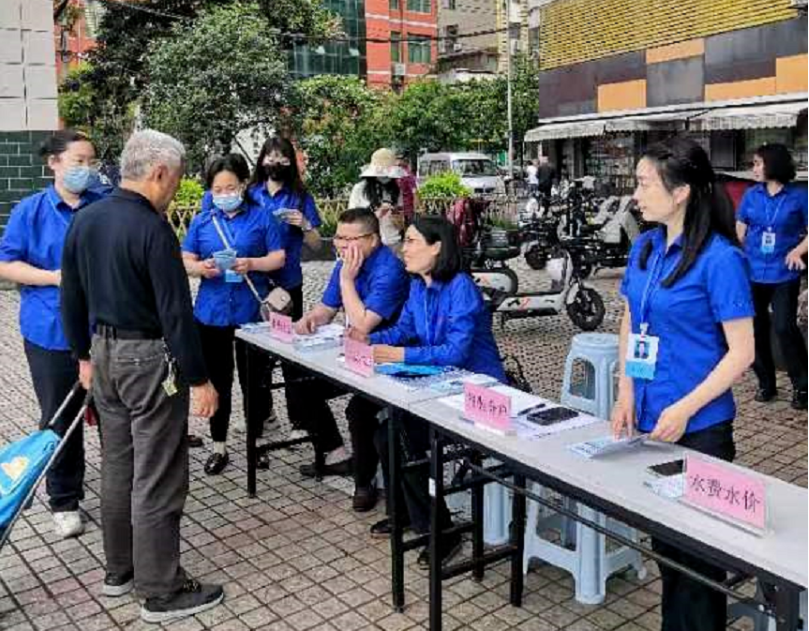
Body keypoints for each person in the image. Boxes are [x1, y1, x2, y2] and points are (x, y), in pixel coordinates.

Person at [60, 130, 224, 623]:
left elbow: (72, 296)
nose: (174, 188)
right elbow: (176, 314)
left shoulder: (87, 218)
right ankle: (161, 590)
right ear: (158, 172)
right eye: (175, 178)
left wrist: (82, 356)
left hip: (104, 355)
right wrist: (200, 379)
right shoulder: (153, 229)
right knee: (158, 473)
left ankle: (120, 571)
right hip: (149, 359)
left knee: (118, 466)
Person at [611, 137, 755, 631]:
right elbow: (630, 318)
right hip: (651, 420)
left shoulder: (720, 259)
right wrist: (626, 390)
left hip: (699, 430)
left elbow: (742, 352)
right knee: (669, 554)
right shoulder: (646, 247)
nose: (635, 195)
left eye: (644, 184)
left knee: (697, 567)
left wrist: (686, 408)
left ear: (681, 193)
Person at [355, 215, 506, 569]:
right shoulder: (418, 287)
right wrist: (366, 340)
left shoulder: (460, 287)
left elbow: (455, 352)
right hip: (439, 389)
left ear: (436, 247)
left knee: (401, 437)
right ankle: (409, 515)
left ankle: (443, 531)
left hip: (477, 395)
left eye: (410, 242)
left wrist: (400, 355)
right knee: (384, 434)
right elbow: (402, 330)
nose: (403, 250)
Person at [0, 129, 107, 538]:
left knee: (114, 413)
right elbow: (6, 263)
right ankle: (64, 499)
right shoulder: (30, 211)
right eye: (79, 160)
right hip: (51, 332)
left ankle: (123, 489)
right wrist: (54, 277)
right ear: (54, 163)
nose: (86, 169)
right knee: (61, 416)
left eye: (91, 161)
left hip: (106, 330)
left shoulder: (104, 205)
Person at [291, 208, 409, 511]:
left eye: (349, 239)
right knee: (302, 384)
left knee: (359, 410)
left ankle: (364, 481)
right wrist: (310, 319)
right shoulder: (345, 263)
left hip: (387, 358)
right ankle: (336, 454)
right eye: (338, 238)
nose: (341, 245)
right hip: (353, 355)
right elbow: (327, 308)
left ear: (372, 239)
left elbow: (362, 326)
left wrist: (347, 280)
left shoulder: (389, 270)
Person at [182, 154, 287, 475]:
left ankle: (256, 443)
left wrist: (252, 264)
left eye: (230, 187)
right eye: (217, 189)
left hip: (250, 312)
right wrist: (201, 268)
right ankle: (219, 445)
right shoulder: (202, 221)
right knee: (218, 382)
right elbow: (185, 259)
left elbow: (279, 257)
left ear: (243, 184)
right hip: (211, 313)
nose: (224, 194)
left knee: (254, 382)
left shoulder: (262, 217)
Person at [248, 136, 322, 445]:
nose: (275, 162)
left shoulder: (300, 196)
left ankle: (298, 418)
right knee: (257, 357)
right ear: (261, 160)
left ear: (291, 162)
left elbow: (316, 245)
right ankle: (264, 417)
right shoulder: (251, 194)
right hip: (256, 286)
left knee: (291, 353)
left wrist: (304, 224)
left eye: (282, 157)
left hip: (289, 284)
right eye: (270, 156)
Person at [736, 143, 808, 410]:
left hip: (783, 272)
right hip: (753, 271)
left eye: (758, 163)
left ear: (773, 164)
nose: (753, 168)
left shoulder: (799, 196)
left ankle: (802, 386)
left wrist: (798, 251)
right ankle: (766, 383)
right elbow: (740, 230)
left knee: (784, 328)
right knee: (755, 329)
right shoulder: (751, 195)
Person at [349, 148, 406, 254]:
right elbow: (351, 220)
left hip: (393, 242)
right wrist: (376, 214)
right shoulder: (359, 189)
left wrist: (398, 220)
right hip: (369, 244)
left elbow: (401, 223)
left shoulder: (396, 191)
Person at [396, 153, 418, 223]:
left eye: (399, 160)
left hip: (407, 208)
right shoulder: (396, 175)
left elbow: (414, 192)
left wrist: (416, 207)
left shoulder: (408, 175)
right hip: (399, 207)